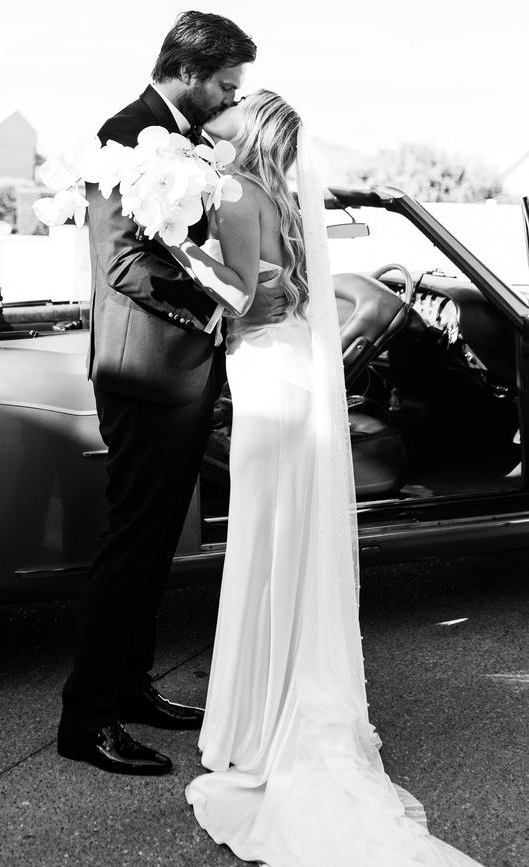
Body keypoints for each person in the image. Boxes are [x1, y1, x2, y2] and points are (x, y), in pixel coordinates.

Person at [162, 91, 483, 865]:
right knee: (289, 550)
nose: (224, 108)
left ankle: (258, 722)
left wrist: (180, 250)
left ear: (254, 130)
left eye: (238, 105)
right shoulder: (286, 200)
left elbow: (242, 299)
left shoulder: (235, 192)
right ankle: (275, 704)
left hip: (268, 385)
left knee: (265, 551)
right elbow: (292, 293)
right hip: (295, 383)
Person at [58, 12, 288, 777]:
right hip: (146, 374)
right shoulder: (126, 135)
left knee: (158, 543)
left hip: (182, 374)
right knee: (131, 545)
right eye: (225, 83)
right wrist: (225, 301)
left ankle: (130, 687)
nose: (230, 99)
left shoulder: (184, 139)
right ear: (190, 71)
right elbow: (126, 264)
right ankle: (85, 718)